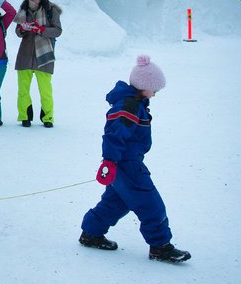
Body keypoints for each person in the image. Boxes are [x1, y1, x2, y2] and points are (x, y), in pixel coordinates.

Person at [79, 55, 191, 264]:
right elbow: (114, 134)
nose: (156, 93)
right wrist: (109, 162)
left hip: (125, 163)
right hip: (127, 165)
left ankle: (91, 234)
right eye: (154, 89)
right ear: (143, 85)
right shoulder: (128, 107)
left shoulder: (135, 103)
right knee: (151, 204)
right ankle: (160, 247)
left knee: (116, 202)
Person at [13, 0, 62, 127]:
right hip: (25, 54)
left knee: (45, 90)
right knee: (23, 89)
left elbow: (58, 30)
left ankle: (48, 117)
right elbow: (17, 32)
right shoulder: (23, 10)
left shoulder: (51, 10)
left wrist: (41, 29)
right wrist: (22, 28)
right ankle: (24, 116)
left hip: (44, 54)